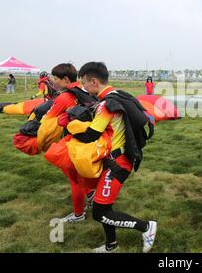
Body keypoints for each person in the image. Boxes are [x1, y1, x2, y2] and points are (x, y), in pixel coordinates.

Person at [75, 62, 157, 253]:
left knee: (100, 212)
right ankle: (111, 245)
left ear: (94, 81)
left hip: (116, 164)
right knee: (105, 206)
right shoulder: (120, 95)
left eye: (84, 83)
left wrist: (70, 126)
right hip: (115, 160)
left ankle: (146, 227)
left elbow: (91, 134)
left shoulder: (106, 105)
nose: (84, 88)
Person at [42, 63, 96, 223]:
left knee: (75, 179)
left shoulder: (65, 96)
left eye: (56, 78)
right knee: (80, 174)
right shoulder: (84, 90)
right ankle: (91, 194)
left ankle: (78, 214)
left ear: (65, 79)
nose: (53, 81)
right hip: (88, 139)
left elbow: (48, 119)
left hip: (73, 142)